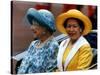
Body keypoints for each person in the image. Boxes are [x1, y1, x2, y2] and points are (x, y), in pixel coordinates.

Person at [17, 8, 59, 74]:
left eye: (35, 24)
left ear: (45, 28)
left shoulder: (53, 46)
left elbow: (50, 71)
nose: (31, 28)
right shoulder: (33, 44)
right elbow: (23, 66)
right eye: (32, 24)